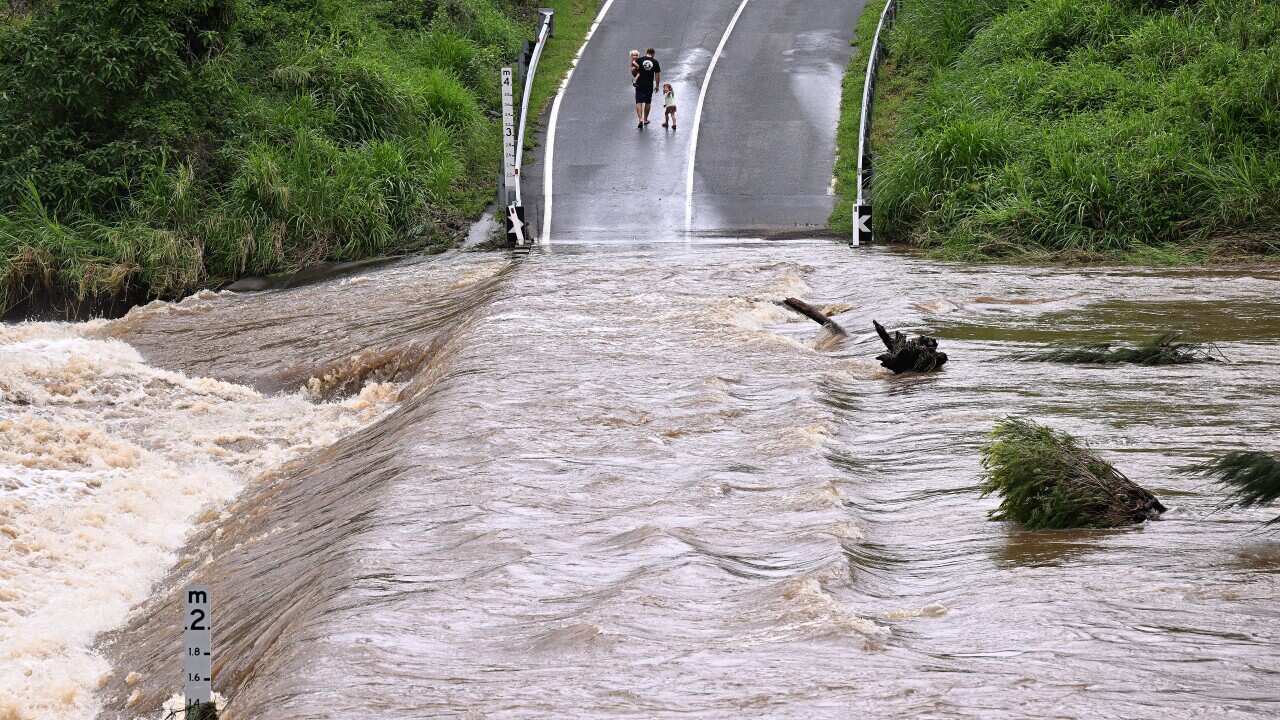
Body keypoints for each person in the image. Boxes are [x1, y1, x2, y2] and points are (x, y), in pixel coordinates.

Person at [633, 48, 661, 129]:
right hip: (649, 85)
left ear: (646, 53)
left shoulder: (639, 60)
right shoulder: (655, 62)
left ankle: (640, 119)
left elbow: (633, 71)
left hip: (639, 84)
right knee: (647, 102)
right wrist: (657, 85)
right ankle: (645, 119)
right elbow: (657, 75)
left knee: (639, 102)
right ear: (653, 54)